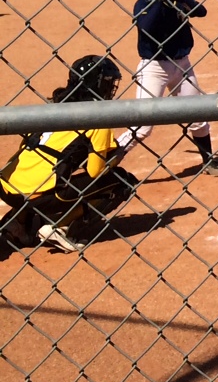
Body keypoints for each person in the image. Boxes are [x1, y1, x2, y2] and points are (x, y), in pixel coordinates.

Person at [1, 55, 139, 252]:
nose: (111, 88)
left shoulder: (55, 105)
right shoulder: (98, 117)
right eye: (108, 82)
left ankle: (18, 223)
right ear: (97, 84)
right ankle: (60, 228)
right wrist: (115, 156)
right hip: (37, 196)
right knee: (122, 181)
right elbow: (95, 172)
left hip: (6, 185)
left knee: (42, 167)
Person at [125, 0, 218, 175]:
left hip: (183, 66)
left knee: (197, 117)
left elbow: (201, 11)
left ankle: (208, 161)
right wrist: (160, 0)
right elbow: (146, 26)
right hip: (154, 68)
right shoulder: (144, 3)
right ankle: (105, 164)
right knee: (142, 128)